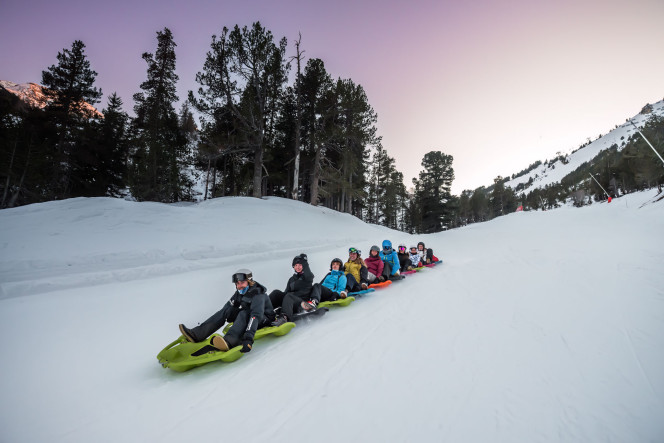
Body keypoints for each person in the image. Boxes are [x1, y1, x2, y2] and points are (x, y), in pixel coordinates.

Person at [178, 269, 274, 353]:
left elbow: (255, 316)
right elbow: (228, 307)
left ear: (249, 281)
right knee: (227, 310)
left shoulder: (258, 295)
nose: (239, 286)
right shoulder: (239, 292)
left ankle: (230, 341)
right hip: (248, 316)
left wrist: (248, 339)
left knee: (243, 313)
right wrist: (227, 312)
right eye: (237, 283)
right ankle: (197, 334)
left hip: (263, 319)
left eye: (242, 282)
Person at [269, 253, 315, 325]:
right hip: (291, 302)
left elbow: (307, 272)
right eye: (296, 265)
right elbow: (286, 293)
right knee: (276, 293)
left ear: (304, 265)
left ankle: (284, 318)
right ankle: (265, 312)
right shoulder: (291, 279)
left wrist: (304, 261)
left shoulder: (308, 276)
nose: (298, 267)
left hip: (302, 303)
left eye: (300, 265)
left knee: (289, 296)